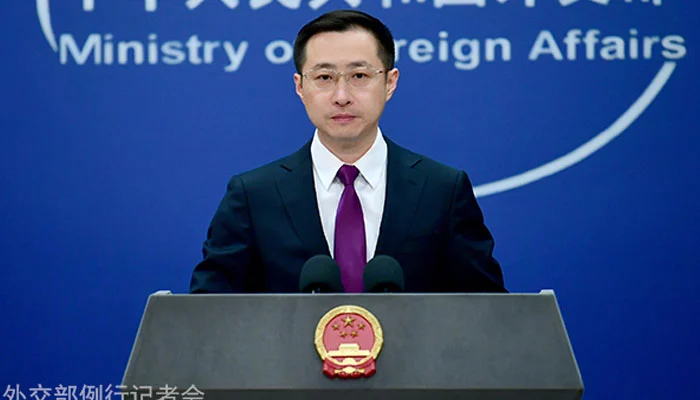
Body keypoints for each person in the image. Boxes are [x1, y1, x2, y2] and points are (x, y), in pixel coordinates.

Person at [189, 10, 506, 293]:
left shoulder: (442, 190)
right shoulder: (253, 195)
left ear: (390, 82)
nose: (342, 96)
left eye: (359, 76)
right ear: (300, 86)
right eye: (324, 77)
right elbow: (209, 314)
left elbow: (488, 313)